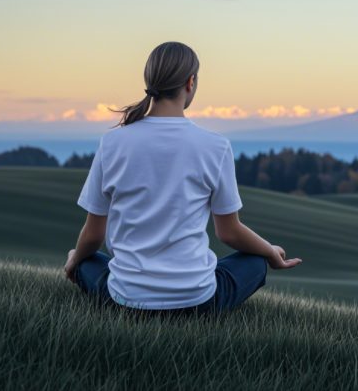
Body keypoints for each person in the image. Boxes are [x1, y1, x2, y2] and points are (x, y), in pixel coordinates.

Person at [63, 41, 301, 315]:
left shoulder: (112, 142)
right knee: (256, 262)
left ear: (149, 81)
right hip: (199, 303)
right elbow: (229, 232)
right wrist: (270, 252)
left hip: (125, 301)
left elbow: (93, 235)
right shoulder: (216, 146)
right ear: (191, 82)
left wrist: (74, 260)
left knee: (83, 259)